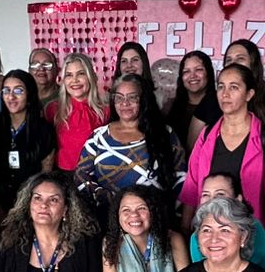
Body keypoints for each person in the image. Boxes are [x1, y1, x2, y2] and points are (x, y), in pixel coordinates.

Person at [74, 72, 184, 215]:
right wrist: (105, 198)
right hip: (107, 217)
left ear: (144, 100)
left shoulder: (165, 134)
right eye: (119, 98)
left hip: (153, 219)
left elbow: (181, 177)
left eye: (132, 97)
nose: (125, 103)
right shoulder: (98, 137)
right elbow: (80, 175)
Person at [180, 62, 265, 229]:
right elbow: (192, 187)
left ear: (249, 94)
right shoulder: (207, 135)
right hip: (209, 231)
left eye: (234, 87)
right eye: (221, 87)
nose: (225, 94)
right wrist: (186, 229)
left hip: (251, 232)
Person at [0, 68, 56, 207]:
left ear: (29, 94)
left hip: (32, 203)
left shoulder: (44, 130)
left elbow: (45, 175)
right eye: (6, 91)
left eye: (18, 91)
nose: (11, 97)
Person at [46, 53, 106, 172]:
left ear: (90, 76)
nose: (75, 80)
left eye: (81, 73)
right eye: (69, 75)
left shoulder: (105, 111)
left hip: (95, 174)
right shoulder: (53, 109)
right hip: (62, 174)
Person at [223, 39, 265, 126]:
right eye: (228, 60)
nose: (233, 64)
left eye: (240, 58)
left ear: (254, 64)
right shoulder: (218, 100)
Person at [165, 50, 217, 150]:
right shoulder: (171, 106)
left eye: (198, 69)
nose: (192, 76)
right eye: (186, 71)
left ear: (208, 73)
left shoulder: (220, 105)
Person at [28, 47, 61, 112]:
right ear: (29, 71)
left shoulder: (66, 97)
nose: (41, 69)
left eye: (47, 65)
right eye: (35, 65)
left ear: (57, 70)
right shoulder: (24, 97)